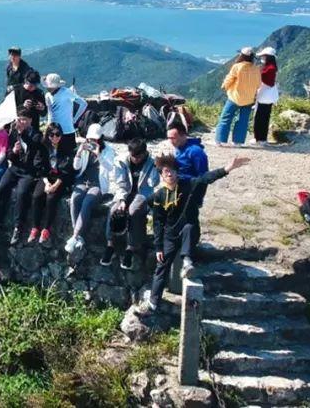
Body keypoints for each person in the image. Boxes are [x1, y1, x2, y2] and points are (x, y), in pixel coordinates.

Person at [140, 154, 250, 313]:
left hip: (188, 231)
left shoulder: (188, 184)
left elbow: (206, 178)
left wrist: (228, 168)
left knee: (189, 227)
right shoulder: (159, 196)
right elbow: (158, 223)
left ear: (177, 172)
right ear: (161, 175)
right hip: (170, 235)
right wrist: (158, 247)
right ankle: (153, 303)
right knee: (161, 267)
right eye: (165, 172)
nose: (169, 174)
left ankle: (187, 263)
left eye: (172, 171)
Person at [101, 139, 159, 270]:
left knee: (133, 211)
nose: (135, 159)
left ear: (144, 154)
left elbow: (153, 183)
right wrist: (121, 200)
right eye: (133, 156)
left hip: (142, 193)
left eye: (138, 157)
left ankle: (130, 248)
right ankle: (110, 245)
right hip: (125, 192)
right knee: (113, 210)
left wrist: (157, 168)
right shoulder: (122, 161)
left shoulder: (152, 162)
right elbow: (121, 183)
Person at [64, 123, 118, 254]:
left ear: (100, 139)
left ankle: (75, 236)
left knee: (87, 201)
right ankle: (78, 235)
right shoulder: (84, 148)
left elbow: (110, 168)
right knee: (75, 199)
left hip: (98, 183)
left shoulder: (108, 150)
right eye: (90, 139)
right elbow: (76, 167)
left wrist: (99, 155)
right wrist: (79, 152)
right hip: (83, 180)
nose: (92, 142)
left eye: (95, 139)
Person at [0, 110, 45, 244]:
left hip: (28, 171)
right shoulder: (14, 133)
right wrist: (14, 152)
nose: (21, 122)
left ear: (30, 121)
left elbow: (33, 144)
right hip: (15, 167)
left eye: (24, 120)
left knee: (21, 194)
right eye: (19, 119)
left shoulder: (37, 134)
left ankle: (18, 227)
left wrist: (23, 134)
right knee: (1, 188)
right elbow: (9, 153)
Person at [18, 124, 74, 244]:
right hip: (46, 177)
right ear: (47, 136)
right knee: (36, 196)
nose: (55, 138)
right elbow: (40, 167)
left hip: (60, 179)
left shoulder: (66, 148)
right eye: (51, 135)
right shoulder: (43, 148)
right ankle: (35, 227)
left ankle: (46, 229)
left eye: (57, 135)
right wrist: (47, 183)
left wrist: (55, 186)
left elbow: (66, 171)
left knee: (51, 198)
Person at [215, 47, 261, 146]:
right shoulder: (256, 69)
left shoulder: (237, 66)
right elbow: (258, 84)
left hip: (235, 97)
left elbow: (229, 79)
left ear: (241, 55)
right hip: (249, 99)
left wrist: (224, 86)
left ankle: (219, 140)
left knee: (226, 118)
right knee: (243, 121)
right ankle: (238, 142)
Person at [43, 73, 87, 155]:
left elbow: (83, 103)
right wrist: (48, 127)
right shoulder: (47, 95)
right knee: (52, 156)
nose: (47, 88)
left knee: (68, 157)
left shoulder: (66, 92)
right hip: (53, 132)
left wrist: (74, 119)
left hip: (67, 131)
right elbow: (50, 113)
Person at [252, 47, 279, 145]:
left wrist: (257, 72)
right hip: (269, 96)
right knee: (265, 117)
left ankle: (259, 138)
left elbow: (264, 79)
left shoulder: (269, 68)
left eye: (263, 56)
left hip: (264, 96)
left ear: (268, 57)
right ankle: (262, 138)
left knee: (260, 117)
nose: (262, 58)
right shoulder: (272, 67)